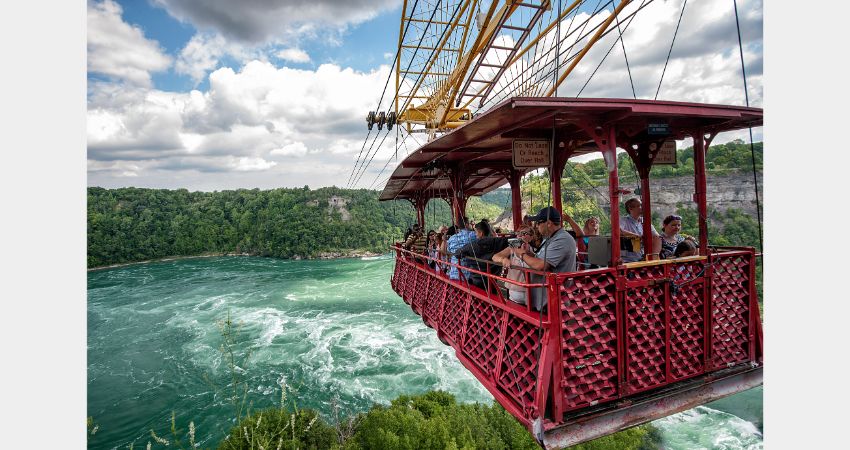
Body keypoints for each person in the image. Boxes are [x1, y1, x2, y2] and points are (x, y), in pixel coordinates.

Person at [504, 206, 576, 311]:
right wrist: (530, 254)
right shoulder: (550, 238)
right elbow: (540, 258)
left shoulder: (562, 239)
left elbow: (540, 265)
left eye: (538, 223)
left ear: (549, 223)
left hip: (552, 297)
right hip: (544, 296)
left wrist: (522, 255)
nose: (536, 226)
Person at [455, 220, 509, 289]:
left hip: (477, 280)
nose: (475, 234)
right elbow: (514, 240)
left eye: (476, 232)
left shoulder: (473, 245)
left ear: (481, 233)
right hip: (493, 280)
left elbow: (457, 254)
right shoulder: (499, 241)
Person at [491, 225, 536, 305]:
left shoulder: (535, 249)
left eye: (524, 233)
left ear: (532, 237)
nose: (521, 236)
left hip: (533, 292)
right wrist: (503, 259)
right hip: (515, 291)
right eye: (518, 233)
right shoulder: (513, 246)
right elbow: (495, 257)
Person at [619, 198, 661, 263]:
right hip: (628, 260)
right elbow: (618, 231)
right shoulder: (623, 220)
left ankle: (652, 259)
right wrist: (638, 237)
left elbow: (657, 237)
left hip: (643, 259)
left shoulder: (645, 221)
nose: (642, 207)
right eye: (639, 206)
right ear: (630, 209)